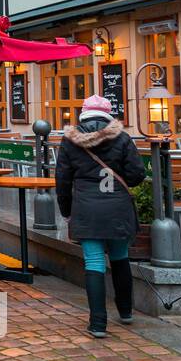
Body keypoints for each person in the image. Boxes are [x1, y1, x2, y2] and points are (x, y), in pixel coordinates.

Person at [54, 94, 145, 338]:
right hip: (118, 208)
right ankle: (125, 311)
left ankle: (97, 324)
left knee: (93, 263)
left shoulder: (70, 141)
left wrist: (66, 210)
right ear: (108, 114)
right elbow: (137, 174)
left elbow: (62, 180)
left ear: (83, 113)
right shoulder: (123, 138)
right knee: (120, 257)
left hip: (87, 208)